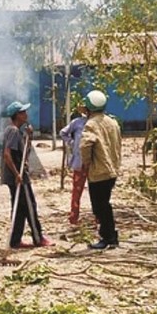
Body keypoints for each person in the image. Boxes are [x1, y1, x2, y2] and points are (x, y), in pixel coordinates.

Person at [1, 101, 51, 248]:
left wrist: (29, 138)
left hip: (18, 175)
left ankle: (15, 240)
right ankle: (38, 238)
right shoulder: (13, 131)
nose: (26, 114)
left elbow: (24, 155)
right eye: (23, 112)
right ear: (17, 115)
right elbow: (7, 155)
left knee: (20, 209)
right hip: (19, 177)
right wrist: (17, 174)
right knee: (30, 206)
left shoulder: (18, 132)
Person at [79, 90, 122, 250]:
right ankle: (111, 236)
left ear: (89, 109)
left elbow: (85, 146)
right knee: (105, 204)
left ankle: (107, 237)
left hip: (98, 173)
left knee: (99, 206)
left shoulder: (91, 124)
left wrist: (86, 164)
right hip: (112, 170)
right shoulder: (112, 122)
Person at [59, 106, 91, 225]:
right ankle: (74, 217)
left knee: (95, 192)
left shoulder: (98, 123)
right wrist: (72, 143)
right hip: (79, 162)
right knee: (77, 191)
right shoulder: (77, 123)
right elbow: (63, 132)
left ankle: (98, 218)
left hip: (94, 164)